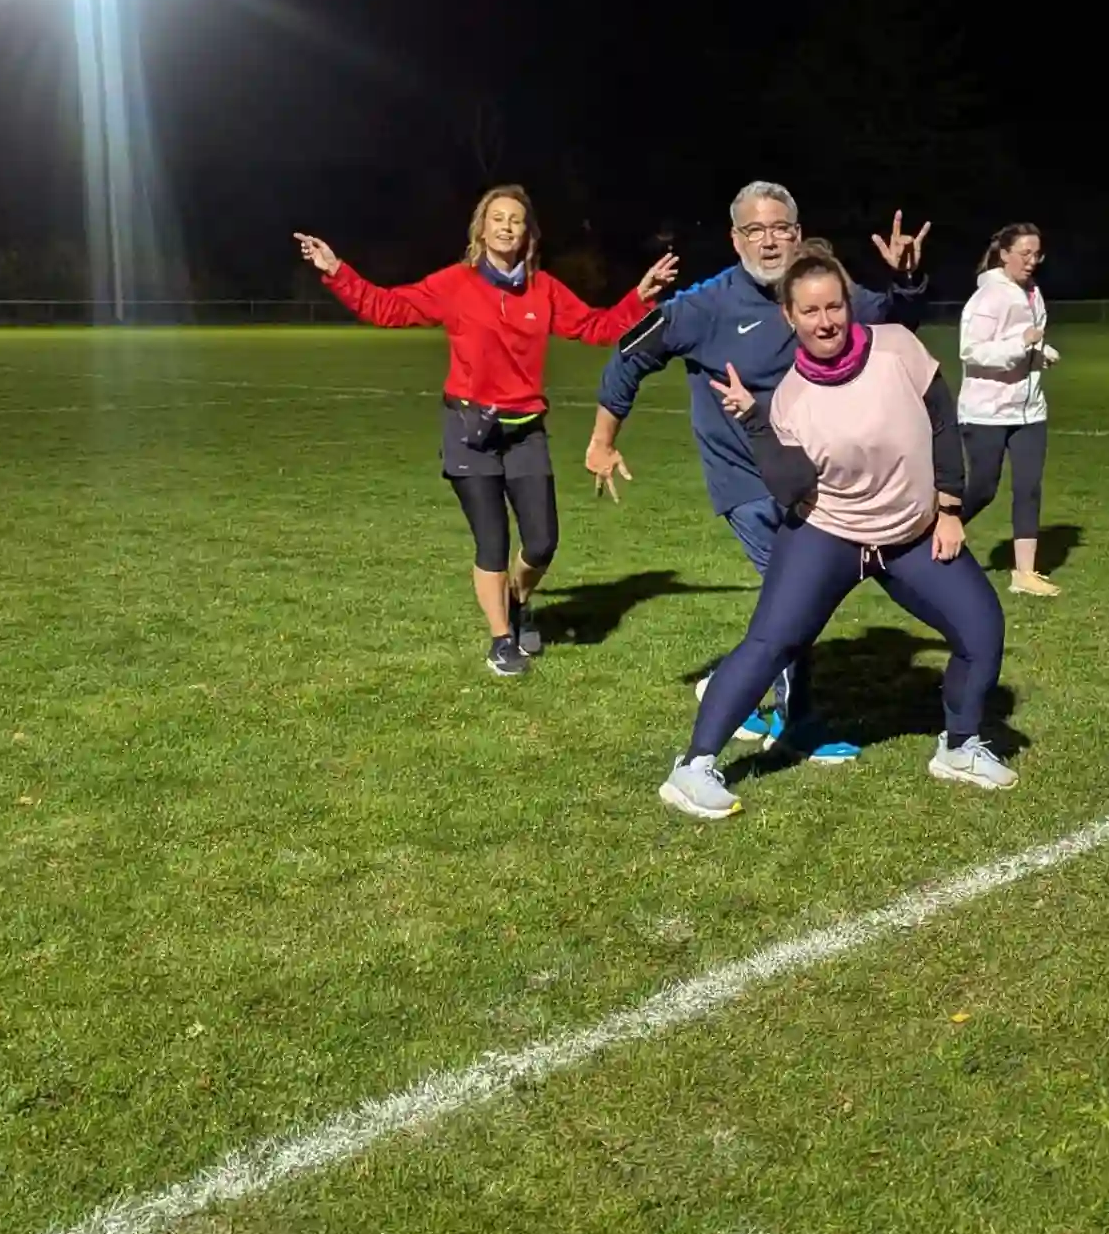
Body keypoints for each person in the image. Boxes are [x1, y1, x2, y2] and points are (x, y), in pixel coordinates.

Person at [660, 244, 1012, 820]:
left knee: (982, 628)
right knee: (771, 643)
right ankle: (694, 767)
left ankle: (959, 746)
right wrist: (755, 422)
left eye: (834, 307)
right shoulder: (790, 399)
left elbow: (942, 423)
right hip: (829, 535)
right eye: (810, 311)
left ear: (848, 304)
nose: (825, 321)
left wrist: (950, 507)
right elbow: (790, 487)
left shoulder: (896, 347)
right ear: (789, 317)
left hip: (911, 534)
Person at [586, 180, 929, 753]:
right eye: (755, 230)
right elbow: (629, 354)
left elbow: (894, 323)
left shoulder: (821, 292)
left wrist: (906, 281)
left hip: (808, 477)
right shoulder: (704, 306)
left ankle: (735, 689)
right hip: (745, 480)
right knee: (794, 597)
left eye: (779, 229)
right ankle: (796, 724)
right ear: (735, 238)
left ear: (797, 234)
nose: (768, 242)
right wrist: (603, 440)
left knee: (798, 598)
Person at [294, 185, 677, 675]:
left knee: (541, 542)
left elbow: (595, 327)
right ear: (481, 229)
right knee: (492, 542)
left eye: (516, 220)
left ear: (527, 234)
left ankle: (519, 600)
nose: (506, 227)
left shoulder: (544, 289)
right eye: (497, 218)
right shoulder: (455, 284)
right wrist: (336, 271)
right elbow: (386, 307)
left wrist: (639, 297)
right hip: (468, 429)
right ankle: (501, 640)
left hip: (525, 431)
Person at [959, 222, 1062, 596]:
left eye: (1037, 254)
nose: (1032, 261)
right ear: (1004, 254)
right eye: (1025, 253)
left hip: (1030, 410)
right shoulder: (988, 297)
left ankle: (1025, 574)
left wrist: (1041, 352)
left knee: (1028, 488)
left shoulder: (1033, 293)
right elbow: (972, 351)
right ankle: (933, 531)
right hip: (986, 411)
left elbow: (1027, 343)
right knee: (983, 489)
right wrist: (1022, 345)